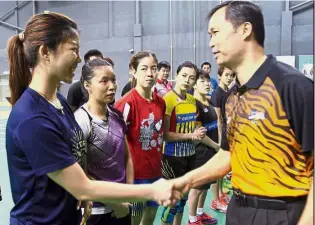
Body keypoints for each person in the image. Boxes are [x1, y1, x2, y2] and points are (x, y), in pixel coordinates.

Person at [5, 12, 182, 225]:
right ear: (45, 52)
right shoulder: (32, 118)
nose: (79, 58)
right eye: (73, 49)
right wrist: (152, 191)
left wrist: (82, 197)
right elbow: (82, 186)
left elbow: (75, 159)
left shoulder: (59, 102)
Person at [171, 1, 314, 225]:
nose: (211, 43)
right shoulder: (234, 98)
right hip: (238, 211)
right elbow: (228, 155)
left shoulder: (292, 86)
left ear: (245, 30)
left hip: (283, 213)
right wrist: (184, 181)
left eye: (216, 32)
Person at [74, 59, 133, 225]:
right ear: (87, 85)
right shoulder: (81, 121)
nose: (112, 86)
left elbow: (127, 158)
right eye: (104, 81)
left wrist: (128, 193)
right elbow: (78, 174)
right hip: (97, 210)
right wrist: (115, 203)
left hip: (123, 204)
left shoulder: (116, 115)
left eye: (113, 80)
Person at [115, 51, 166, 225]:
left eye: (153, 68)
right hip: (136, 175)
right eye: (144, 69)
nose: (150, 73)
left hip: (156, 172)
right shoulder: (126, 103)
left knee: (151, 216)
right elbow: (116, 142)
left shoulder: (161, 102)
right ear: (133, 71)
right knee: (134, 220)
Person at [160, 61, 208, 225]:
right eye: (184, 76)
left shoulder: (192, 100)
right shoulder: (168, 100)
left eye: (192, 78)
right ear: (176, 76)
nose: (187, 80)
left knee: (183, 200)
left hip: (190, 155)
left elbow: (193, 126)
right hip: (172, 157)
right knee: (173, 201)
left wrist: (198, 132)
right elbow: (165, 135)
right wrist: (190, 135)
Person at [187, 69, 220, 225]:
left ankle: (200, 213)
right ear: (194, 84)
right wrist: (216, 146)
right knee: (197, 187)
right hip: (200, 151)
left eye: (208, 81)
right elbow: (198, 133)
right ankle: (192, 220)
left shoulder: (210, 101)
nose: (207, 84)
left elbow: (215, 125)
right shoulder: (194, 105)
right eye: (202, 81)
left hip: (212, 150)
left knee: (206, 186)